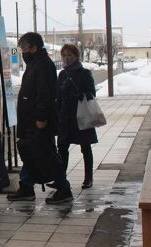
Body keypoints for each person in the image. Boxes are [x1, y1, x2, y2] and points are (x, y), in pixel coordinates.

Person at [7, 32, 73, 204]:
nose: (23, 52)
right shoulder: (35, 63)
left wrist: (41, 118)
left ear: (34, 48)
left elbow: (44, 94)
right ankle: (27, 186)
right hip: (31, 119)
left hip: (38, 121)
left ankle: (63, 188)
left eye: (25, 49)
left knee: (48, 154)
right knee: (31, 152)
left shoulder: (42, 65)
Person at [56, 44, 98, 189]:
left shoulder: (84, 73)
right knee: (61, 147)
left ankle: (88, 178)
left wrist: (79, 95)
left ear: (76, 56)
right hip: (65, 117)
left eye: (70, 55)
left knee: (85, 147)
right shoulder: (62, 74)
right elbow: (58, 96)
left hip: (80, 116)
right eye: (64, 56)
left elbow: (92, 93)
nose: (66, 59)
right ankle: (61, 178)